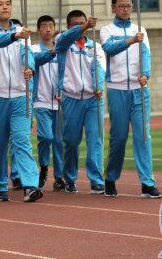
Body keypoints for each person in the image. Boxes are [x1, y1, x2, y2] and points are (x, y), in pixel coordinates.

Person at [0, 0, 42, 203]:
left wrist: (29, 68)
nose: (5, 7)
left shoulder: (22, 32)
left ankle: (30, 185)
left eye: (8, 4)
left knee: (22, 139)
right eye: (0, 4)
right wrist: (14, 36)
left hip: (21, 93)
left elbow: (28, 54)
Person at [100, 0, 162, 199]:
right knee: (119, 137)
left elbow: (146, 54)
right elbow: (109, 49)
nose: (125, 9)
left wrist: (145, 74)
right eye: (121, 6)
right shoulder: (107, 30)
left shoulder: (140, 29)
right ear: (114, 8)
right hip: (117, 89)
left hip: (139, 90)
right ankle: (110, 178)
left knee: (143, 136)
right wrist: (130, 41)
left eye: (128, 6)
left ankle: (147, 183)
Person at [52, 11, 104, 194]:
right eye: (75, 24)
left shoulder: (95, 47)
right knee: (72, 142)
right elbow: (66, 37)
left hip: (92, 99)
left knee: (95, 140)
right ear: (68, 26)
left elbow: (99, 67)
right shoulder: (62, 43)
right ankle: (70, 178)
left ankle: (96, 179)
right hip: (71, 98)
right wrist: (84, 26)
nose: (81, 27)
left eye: (82, 23)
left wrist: (99, 85)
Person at [31, 16, 65, 191]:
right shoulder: (33, 49)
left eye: (51, 26)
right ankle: (44, 167)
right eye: (44, 26)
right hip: (41, 101)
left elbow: (64, 73)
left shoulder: (61, 51)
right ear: (38, 30)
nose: (48, 29)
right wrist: (52, 52)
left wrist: (62, 89)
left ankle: (59, 177)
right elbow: (36, 61)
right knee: (46, 137)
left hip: (58, 103)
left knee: (59, 141)